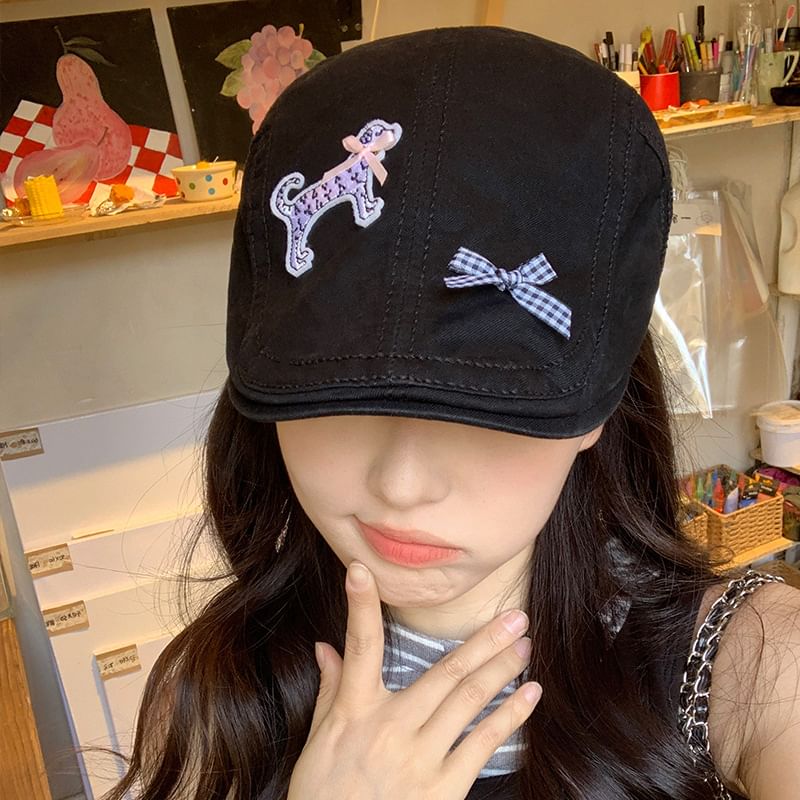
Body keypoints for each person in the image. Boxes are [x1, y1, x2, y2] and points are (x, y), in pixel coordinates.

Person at [107, 27, 800, 800]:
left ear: (598, 401)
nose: (402, 484)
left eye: (485, 409)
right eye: (341, 397)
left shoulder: (759, 669)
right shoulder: (212, 696)